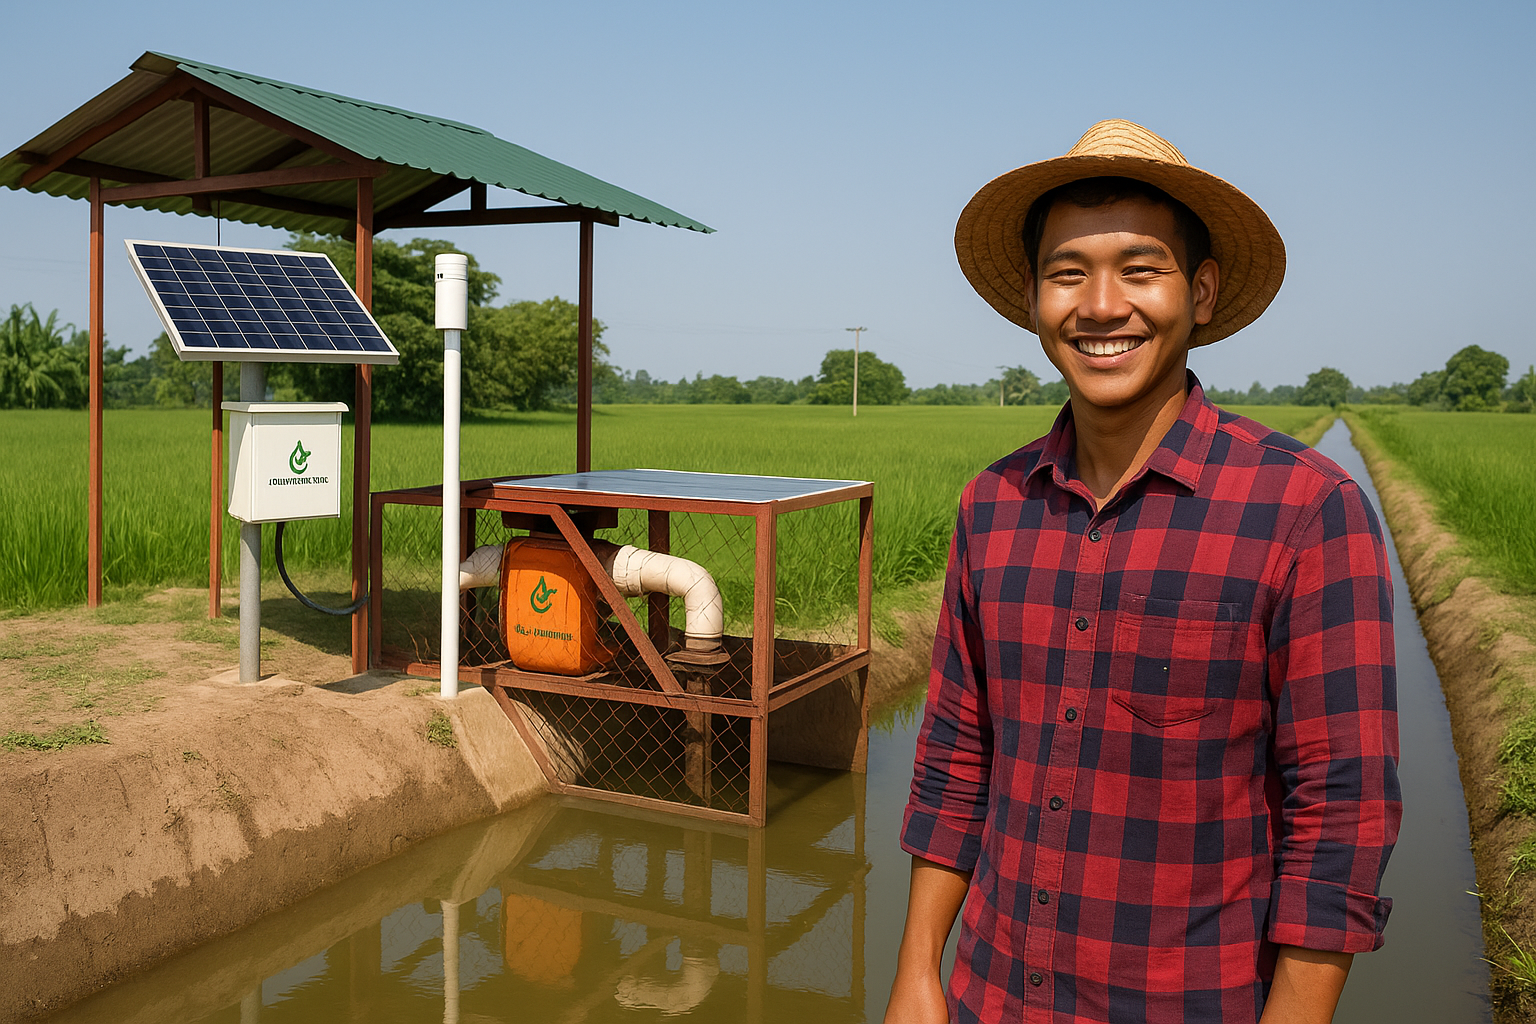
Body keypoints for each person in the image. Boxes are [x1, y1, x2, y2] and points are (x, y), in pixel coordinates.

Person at [886, 120, 1400, 1024]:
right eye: (1068, 271)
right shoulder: (993, 506)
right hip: (987, 995)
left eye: (1141, 268)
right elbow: (955, 758)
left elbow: (1341, 819)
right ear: (1036, 300)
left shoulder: (1306, 512)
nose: (1100, 305)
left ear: (1199, 292)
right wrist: (917, 976)